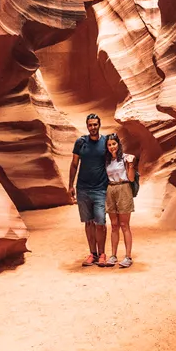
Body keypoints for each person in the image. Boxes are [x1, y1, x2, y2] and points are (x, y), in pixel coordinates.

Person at [69, 114, 108, 266]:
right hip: (83, 188)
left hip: (100, 189)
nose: (93, 127)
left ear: (99, 125)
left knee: (100, 222)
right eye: (90, 125)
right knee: (89, 223)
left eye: (95, 125)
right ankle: (93, 253)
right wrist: (70, 185)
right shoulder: (80, 143)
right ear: (87, 126)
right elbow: (74, 164)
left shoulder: (105, 142)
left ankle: (102, 253)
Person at [103, 133, 136, 268]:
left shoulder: (125, 158)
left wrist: (131, 165)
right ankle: (113, 255)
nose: (112, 147)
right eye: (109, 145)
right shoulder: (106, 161)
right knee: (114, 225)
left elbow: (131, 178)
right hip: (111, 190)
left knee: (124, 225)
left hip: (123, 188)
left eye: (114, 144)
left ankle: (128, 257)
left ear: (118, 144)